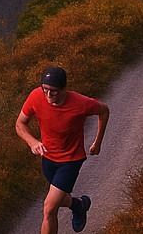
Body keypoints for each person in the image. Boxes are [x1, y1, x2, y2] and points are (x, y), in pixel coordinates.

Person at [15, 66, 109, 233]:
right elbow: (20, 123)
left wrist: (98, 141)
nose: (49, 95)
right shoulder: (36, 96)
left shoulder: (81, 103)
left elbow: (104, 110)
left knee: (49, 208)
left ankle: (77, 206)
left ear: (64, 89)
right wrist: (32, 142)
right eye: (45, 90)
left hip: (71, 160)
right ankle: (78, 205)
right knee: (57, 199)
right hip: (48, 157)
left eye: (54, 91)